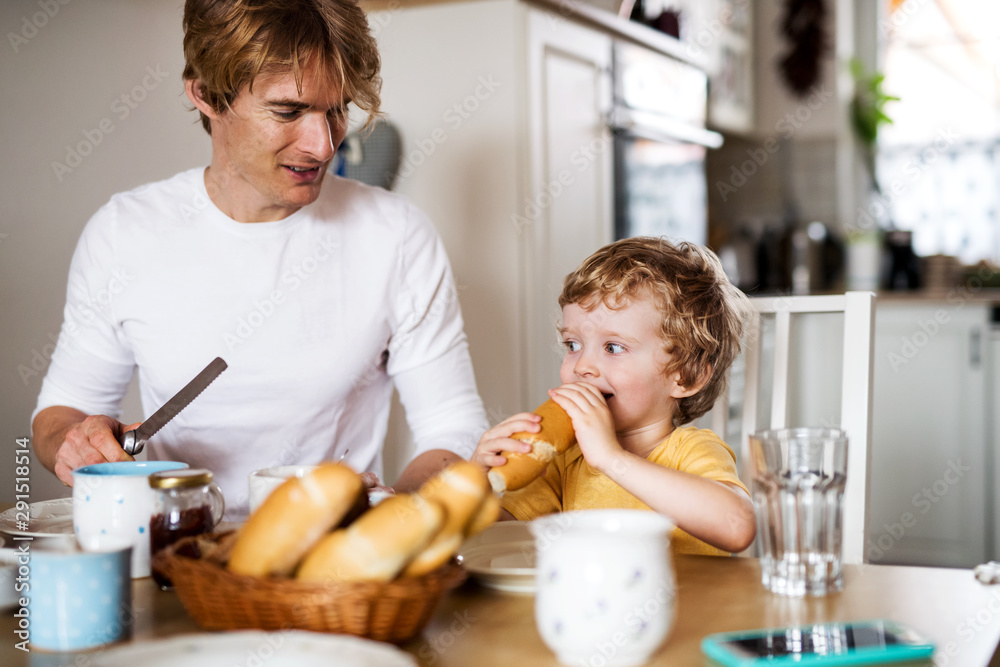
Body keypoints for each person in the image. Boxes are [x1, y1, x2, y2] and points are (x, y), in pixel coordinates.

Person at [32, 0, 488, 519]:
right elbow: (61, 411)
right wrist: (76, 440)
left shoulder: (397, 235)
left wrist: (389, 517)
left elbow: (451, 424)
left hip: (329, 564)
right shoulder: (123, 232)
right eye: (289, 111)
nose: (323, 145)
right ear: (205, 94)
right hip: (173, 552)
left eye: (337, 109)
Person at [472, 237, 756, 555]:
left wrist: (611, 459)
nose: (583, 366)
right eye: (572, 345)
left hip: (689, 604)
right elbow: (503, 538)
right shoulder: (566, 461)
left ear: (686, 376)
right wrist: (476, 486)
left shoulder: (690, 453)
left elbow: (737, 526)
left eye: (613, 347)